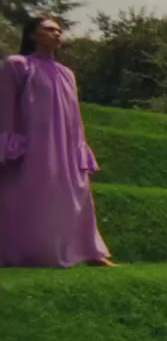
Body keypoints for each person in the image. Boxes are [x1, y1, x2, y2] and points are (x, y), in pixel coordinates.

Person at [0, 16, 116, 268]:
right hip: (33, 145)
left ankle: (89, 251)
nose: (56, 34)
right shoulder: (17, 65)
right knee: (27, 196)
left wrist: (80, 150)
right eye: (49, 29)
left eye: (59, 30)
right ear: (33, 35)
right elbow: (6, 108)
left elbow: (74, 117)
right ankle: (26, 252)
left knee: (75, 194)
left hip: (64, 145)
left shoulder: (67, 74)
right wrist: (8, 144)